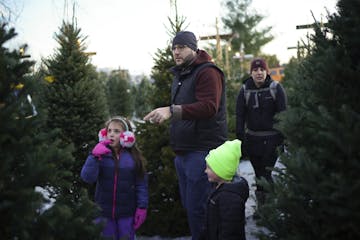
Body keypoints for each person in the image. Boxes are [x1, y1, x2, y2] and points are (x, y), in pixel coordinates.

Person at [143, 31, 227, 240]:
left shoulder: (207, 72)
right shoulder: (181, 75)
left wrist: (172, 110)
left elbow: (209, 107)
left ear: (193, 48)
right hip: (184, 151)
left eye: (181, 47)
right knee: (191, 207)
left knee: (200, 209)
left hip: (202, 151)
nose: (176, 52)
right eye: (173, 48)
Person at [81, 116, 148, 240]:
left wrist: (142, 207)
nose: (111, 134)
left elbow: (141, 185)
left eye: (116, 131)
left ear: (126, 136)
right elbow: (87, 178)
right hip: (103, 213)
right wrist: (94, 157)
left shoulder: (134, 159)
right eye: (109, 131)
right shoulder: (100, 154)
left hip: (127, 214)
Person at [236, 58, 287, 206]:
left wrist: (283, 139)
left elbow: (283, 115)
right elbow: (240, 115)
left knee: (266, 173)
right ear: (251, 73)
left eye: (262, 70)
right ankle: (262, 208)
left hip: (272, 140)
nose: (259, 73)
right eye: (255, 70)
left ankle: (269, 207)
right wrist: (240, 139)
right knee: (258, 174)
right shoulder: (245, 90)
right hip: (253, 140)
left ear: (267, 71)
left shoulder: (276, 88)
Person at [200, 139, 249, 240]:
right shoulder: (218, 188)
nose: (205, 171)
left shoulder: (230, 198)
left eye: (209, 168)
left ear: (221, 171)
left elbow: (230, 232)